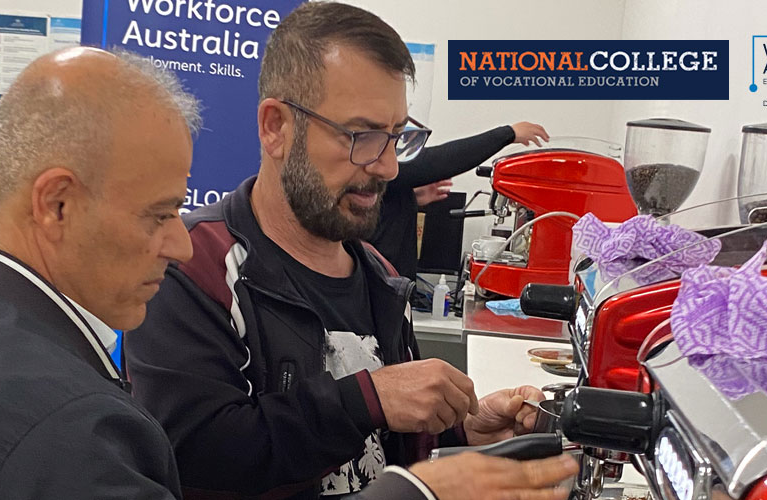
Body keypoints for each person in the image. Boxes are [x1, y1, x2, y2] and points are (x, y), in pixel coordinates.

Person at [0, 45, 575, 500]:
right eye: (158, 214)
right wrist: (419, 494)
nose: (175, 245)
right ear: (57, 205)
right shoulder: (72, 425)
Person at [126, 3, 566, 499]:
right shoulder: (192, 265)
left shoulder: (377, 273)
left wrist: (462, 435)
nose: (388, 167)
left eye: (397, 137)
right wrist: (367, 399)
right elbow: (193, 459)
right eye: (362, 136)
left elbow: (389, 449)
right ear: (275, 127)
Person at [369, 122, 549, 279]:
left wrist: (409, 199)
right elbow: (438, 161)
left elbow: (383, 201)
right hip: (378, 289)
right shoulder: (372, 160)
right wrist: (508, 133)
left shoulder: (380, 174)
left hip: (389, 288)